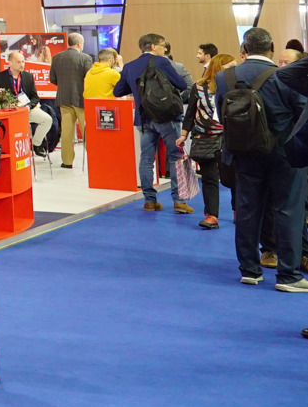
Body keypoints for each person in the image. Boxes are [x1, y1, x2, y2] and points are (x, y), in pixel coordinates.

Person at [218, 27, 308, 291]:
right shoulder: (285, 76)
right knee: (289, 211)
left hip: (244, 153)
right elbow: (303, 113)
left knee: (247, 210)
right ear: (272, 49)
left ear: (244, 50)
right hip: (285, 154)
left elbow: (223, 114)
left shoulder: (225, 77)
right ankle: (288, 276)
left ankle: (249, 270)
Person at [113, 33, 191, 212]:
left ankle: (149, 200)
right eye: (163, 46)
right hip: (166, 116)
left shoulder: (130, 66)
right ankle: (179, 201)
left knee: (146, 159)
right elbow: (181, 84)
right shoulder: (162, 62)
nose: (165, 49)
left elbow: (118, 91)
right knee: (176, 157)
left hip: (143, 119)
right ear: (154, 47)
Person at [183, 52, 235, 229]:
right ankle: (211, 215)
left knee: (234, 176)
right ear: (219, 67)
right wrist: (183, 134)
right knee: (209, 177)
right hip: (205, 137)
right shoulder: (198, 87)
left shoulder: (235, 86)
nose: (234, 69)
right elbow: (190, 112)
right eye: (230, 66)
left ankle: (238, 210)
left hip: (230, 136)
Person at [0, 51, 53, 150]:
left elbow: (35, 97)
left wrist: (29, 106)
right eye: (18, 62)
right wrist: (6, 104)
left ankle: (36, 144)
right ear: (10, 63)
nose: (22, 64)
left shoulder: (28, 76)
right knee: (24, 126)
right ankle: (24, 148)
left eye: (23, 62)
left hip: (27, 108)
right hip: (10, 111)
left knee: (47, 120)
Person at [49, 33, 91, 170]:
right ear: (79, 43)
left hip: (63, 99)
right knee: (87, 131)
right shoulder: (85, 58)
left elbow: (52, 79)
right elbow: (89, 78)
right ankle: (93, 159)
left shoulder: (56, 57)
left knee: (66, 132)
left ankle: (67, 162)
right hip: (81, 99)